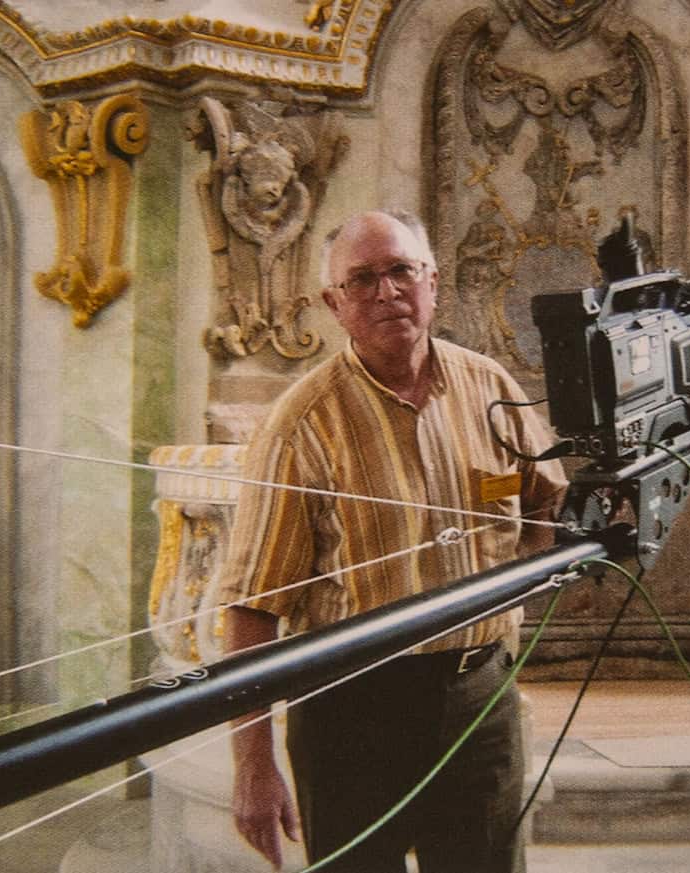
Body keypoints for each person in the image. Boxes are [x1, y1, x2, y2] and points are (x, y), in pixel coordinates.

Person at [217, 209, 567, 873]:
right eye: (362, 279)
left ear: (432, 281)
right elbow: (251, 606)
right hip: (353, 715)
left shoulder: (488, 386)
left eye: (402, 270)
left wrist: (525, 580)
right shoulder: (300, 425)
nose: (386, 291)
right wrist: (253, 767)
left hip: (479, 702)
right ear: (333, 303)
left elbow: (547, 492)